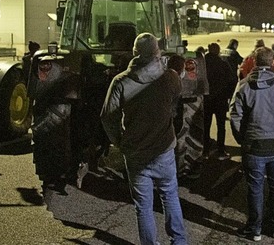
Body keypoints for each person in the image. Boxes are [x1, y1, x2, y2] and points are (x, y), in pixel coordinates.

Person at [100, 33, 187, 245]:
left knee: (143, 205)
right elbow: (175, 102)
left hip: (136, 153)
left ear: (134, 52)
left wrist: (119, 142)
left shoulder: (120, 82)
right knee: (170, 196)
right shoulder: (170, 78)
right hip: (164, 150)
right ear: (157, 52)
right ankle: (179, 241)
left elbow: (107, 116)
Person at [230, 47, 274, 241]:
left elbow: (235, 116)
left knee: (255, 188)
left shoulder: (244, 85)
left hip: (253, 146)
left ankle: (255, 230)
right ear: (273, 62)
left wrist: (242, 140)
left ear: (254, 61)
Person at [203, 42, 237, 160]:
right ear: (217, 51)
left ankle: (205, 150)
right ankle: (220, 151)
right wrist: (227, 96)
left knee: (205, 126)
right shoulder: (223, 64)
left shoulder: (202, 64)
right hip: (220, 101)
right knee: (221, 126)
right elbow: (232, 81)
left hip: (206, 100)